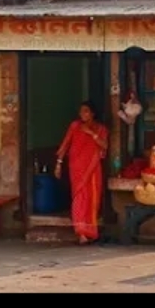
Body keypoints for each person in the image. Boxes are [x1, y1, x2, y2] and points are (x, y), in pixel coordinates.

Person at [53, 102, 109, 245]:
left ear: (92, 113)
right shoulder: (75, 126)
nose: (82, 115)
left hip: (93, 168)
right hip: (77, 168)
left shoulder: (100, 129)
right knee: (79, 199)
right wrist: (58, 164)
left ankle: (91, 231)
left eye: (86, 111)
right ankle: (81, 232)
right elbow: (65, 145)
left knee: (92, 199)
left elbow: (104, 146)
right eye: (81, 112)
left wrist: (91, 134)